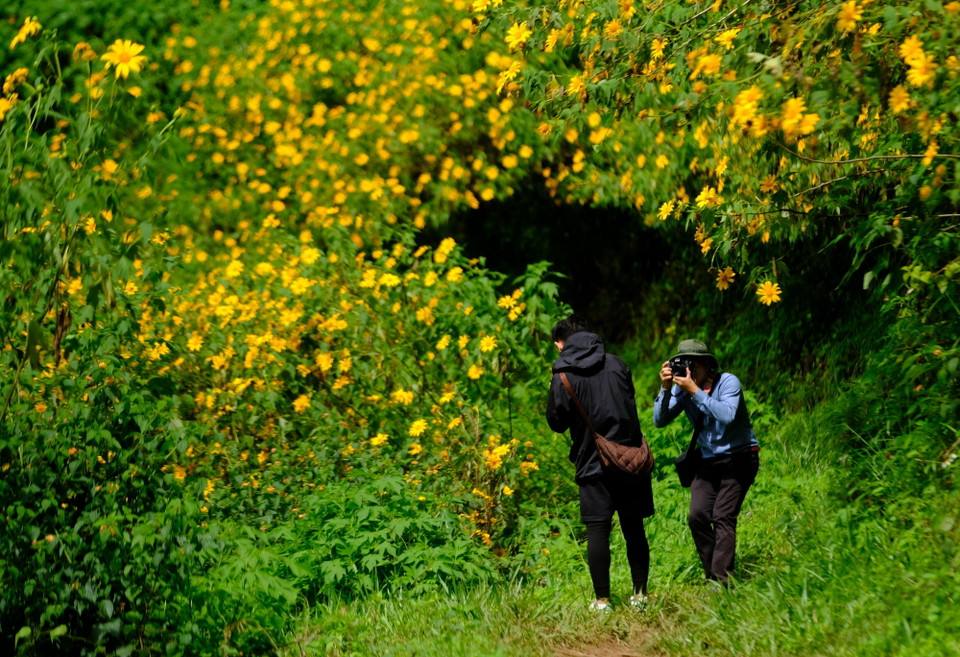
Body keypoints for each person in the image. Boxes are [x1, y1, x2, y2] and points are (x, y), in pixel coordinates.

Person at [546, 316, 654, 611]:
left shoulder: (564, 375)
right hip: (629, 458)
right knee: (634, 528)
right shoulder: (617, 363)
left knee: (597, 531)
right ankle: (640, 596)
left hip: (592, 460)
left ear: (560, 343)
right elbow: (626, 401)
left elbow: (556, 422)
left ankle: (603, 600)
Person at [653, 338, 760, 587]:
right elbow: (660, 420)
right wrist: (666, 388)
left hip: (740, 457)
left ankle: (723, 582)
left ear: (706, 365)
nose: (687, 370)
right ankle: (714, 576)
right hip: (708, 461)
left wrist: (694, 391)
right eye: (681, 364)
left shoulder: (728, 382)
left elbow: (727, 415)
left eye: (691, 364)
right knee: (697, 515)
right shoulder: (682, 389)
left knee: (723, 515)